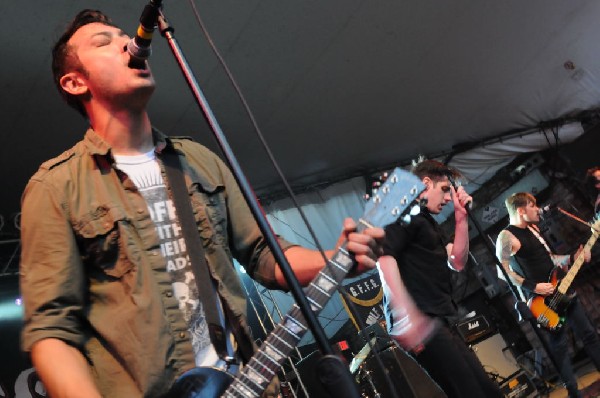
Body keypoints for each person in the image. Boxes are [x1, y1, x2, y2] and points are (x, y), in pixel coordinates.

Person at [18, 9, 385, 398]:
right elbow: (51, 330)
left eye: (124, 34)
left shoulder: (198, 160)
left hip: (247, 384)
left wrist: (335, 257)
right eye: (103, 42)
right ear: (75, 83)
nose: (129, 43)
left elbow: (264, 254)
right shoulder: (56, 186)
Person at [378, 159, 503, 398]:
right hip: (420, 319)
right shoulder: (402, 210)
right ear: (426, 183)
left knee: (486, 391)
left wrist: (460, 218)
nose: (448, 198)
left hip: (436, 318)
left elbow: (456, 260)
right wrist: (406, 314)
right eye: (445, 189)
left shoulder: (425, 220)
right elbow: (383, 258)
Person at [496, 192, 600, 398]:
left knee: (589, 334)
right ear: (521, 210)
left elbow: (551, 259)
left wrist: (573, 257)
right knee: (560, 347)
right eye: (532, 206)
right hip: (540, 302)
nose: (537, 209)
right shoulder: (506, 236)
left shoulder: (533, 230)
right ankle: (573, 392)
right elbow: (503, 271)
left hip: (561, 288)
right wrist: (532, 286)